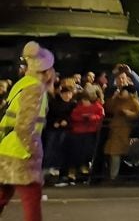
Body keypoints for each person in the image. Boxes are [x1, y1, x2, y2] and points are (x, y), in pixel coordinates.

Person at [0, 41, 55, 221]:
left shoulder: (22, 84)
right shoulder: (36, 89)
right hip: (21, 155)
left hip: (5, 149)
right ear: (47, 71)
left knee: (2, 196)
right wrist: (34, 152)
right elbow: (24, 126)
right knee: (32, 202)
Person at [61, 93, 104, 185]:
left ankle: (83, 171)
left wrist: (91, 117)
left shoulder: (97, 107)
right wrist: (82, 118)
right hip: (78, 132)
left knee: (87, 152)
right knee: (77, 152)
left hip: (90, 132)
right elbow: (74, 115)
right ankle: (75, 172)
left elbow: (100, 116)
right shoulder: (79, 107)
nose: (84, 102)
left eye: (86, 100)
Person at [103, 86, 139, 181]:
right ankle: (112, 175)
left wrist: (128, 113)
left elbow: (138, 113)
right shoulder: (117, 100)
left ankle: (114, 176)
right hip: (114, 129)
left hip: (124, 130)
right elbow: (108, 108)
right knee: (113, 153)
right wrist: (113, 97)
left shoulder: (134, 101)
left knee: (116, 153)